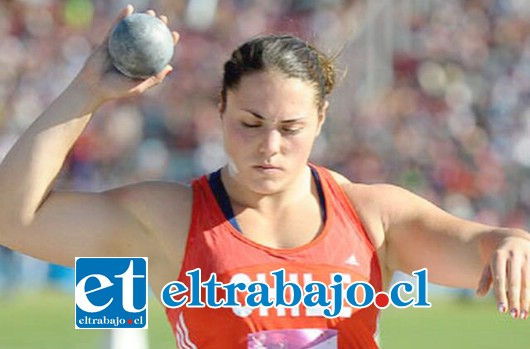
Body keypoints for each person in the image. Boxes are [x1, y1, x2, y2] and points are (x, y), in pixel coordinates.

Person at [0, 5, 528, 349]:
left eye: (291, 127)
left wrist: (511, 241)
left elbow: (481, 248)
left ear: (321, 119)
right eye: (250, 123)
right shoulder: (173, 217)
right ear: (221, 110)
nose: (270, 146)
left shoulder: (372, 215)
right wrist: (86, 91)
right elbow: (14, 220)